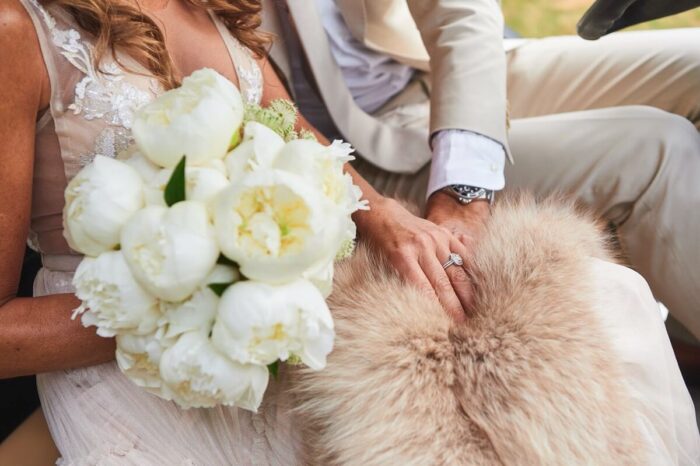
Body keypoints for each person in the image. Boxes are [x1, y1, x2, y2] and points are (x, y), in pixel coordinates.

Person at [0, 0, 697, 463]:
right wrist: (200, 296)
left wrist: (387, 220)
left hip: (276, 331)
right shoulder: (18, 33)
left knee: (603, 299)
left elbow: (300, 144)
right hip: (141, 365)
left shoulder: (212, 9)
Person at [262, 0, 700, 340]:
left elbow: (463, 12)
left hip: (425, 70)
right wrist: (457, 197)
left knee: (693, 65)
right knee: (659, 150)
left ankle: (684, 336)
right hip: (350, 152)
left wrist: (462, 188)